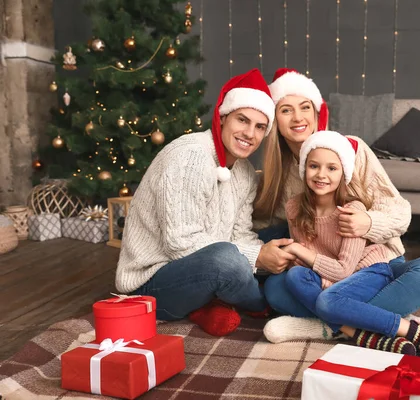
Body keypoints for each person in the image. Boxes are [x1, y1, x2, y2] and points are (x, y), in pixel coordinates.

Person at [255, 68, 420, 356]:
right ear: (275, 120)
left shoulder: (351, 149)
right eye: (286, 110)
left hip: (373, 266)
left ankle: (327, 326)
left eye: (305, 107)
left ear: (316, 111)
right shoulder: (277, 175)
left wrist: (368, 222)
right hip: (322, 271)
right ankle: (362, 326)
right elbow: (268, 228)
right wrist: (261, 255)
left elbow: (399, 211)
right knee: (275, 289)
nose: (298, 118)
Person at [115, 69, 297, 337]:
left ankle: (215, 301)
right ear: (223, 118)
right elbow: (180, 244)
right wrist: (258, 258)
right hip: (153, 282)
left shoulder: (244, 172)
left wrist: (269, 253)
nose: (249, 133)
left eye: (260, 127)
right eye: (242, 120)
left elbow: (240, 234)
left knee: (284, 235)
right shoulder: (190, 156)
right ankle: (264, 303)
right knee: (228, 263)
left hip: (204, 265)